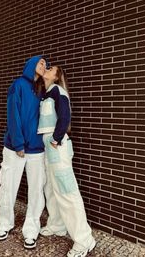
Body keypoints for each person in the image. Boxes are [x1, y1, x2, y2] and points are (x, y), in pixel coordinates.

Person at [37, 66, 96, 257]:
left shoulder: (58, 91)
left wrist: (56, 138)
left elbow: (65, 116)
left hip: (57, 146)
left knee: (67, 191)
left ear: (56, 76)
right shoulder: (46, 94)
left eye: (51, 68)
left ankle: (84, 240)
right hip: (48, 146)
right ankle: (57, 224)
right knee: (51, 189)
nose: (47, 68)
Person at [0, 55, 48, 250]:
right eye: (41, 62)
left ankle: (31, 229)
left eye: (46, 64)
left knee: (36, 190)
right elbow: (13, 114)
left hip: (37, 149)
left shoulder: (43, 90)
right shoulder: (17, 85)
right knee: (8, 186)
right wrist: (18, 144)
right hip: (15, 148)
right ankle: (5, 223)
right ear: (31, 65)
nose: (44, 65)